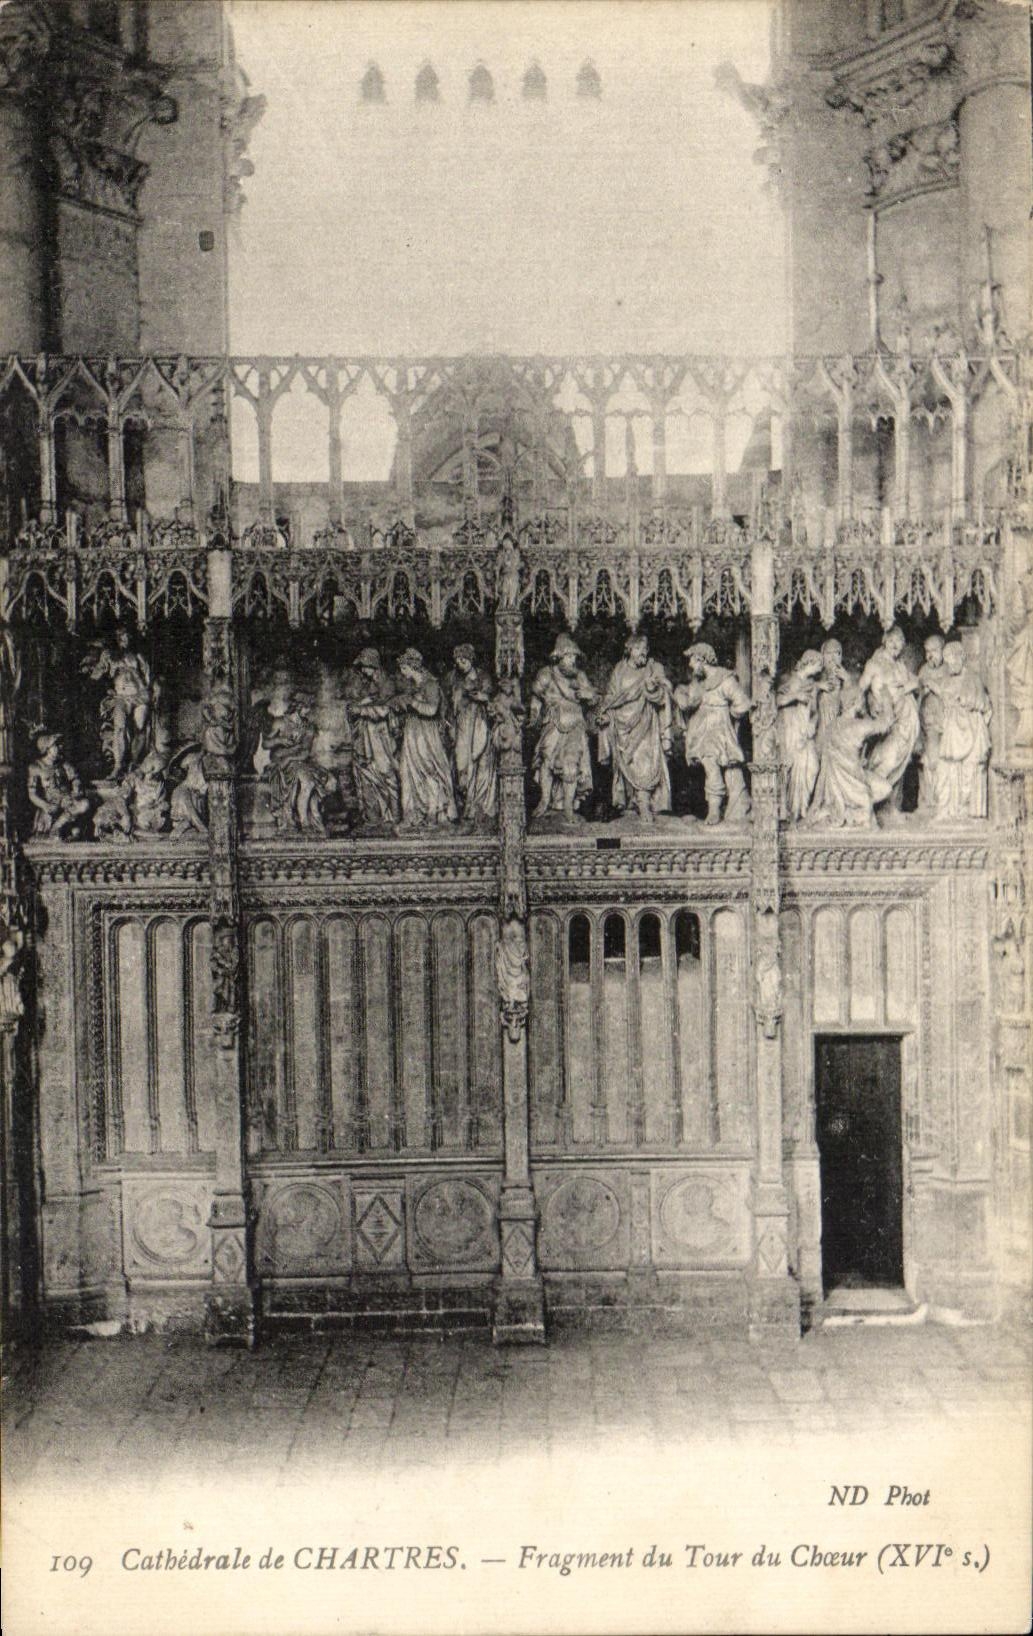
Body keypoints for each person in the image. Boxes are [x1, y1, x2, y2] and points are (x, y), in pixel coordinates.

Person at [597, 633, 673, 822]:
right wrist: (605, 714)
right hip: (621, 724)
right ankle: (633, 803)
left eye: (645, 649)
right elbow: (611, 696)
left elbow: (665, 696)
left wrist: (652, 688)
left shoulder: (653, 668)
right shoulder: (620, 669)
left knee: (644, 762)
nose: (643, 652)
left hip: (645, 721)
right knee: (627, 764)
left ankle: (645, 804)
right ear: (629, 649)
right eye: (638, 648)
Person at [674, 642, 751, 824]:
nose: (691, 666)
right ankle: (717, 808)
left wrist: (730, 717)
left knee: (711, 764)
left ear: (701, 659)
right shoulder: (698, 682)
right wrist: (679, 693)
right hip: (700, 731)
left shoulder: (725, 679)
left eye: (692, 661)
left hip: (717, 730)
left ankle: (715, 808)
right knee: (710, 766)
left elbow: (742, 703)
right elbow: (687, 697)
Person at [529, 632, 597, 822]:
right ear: (557, 656)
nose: (572, 660)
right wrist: (534, 714)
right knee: (546, 761)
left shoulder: (579, 676)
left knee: (571, 764)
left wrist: (587, 695)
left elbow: (593, 696)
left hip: (575, 724)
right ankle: (544, 801)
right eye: (568, 656)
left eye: (574, 656)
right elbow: (536, 695)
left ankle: (568, 807)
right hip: (552, 723)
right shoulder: (546, 674)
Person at [805, 687, 895, 828]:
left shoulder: (831, 727)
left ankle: (850, 811)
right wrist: (886, 698)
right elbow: (886, 723)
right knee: (886, 788)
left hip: (833, 789)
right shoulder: (859, 726)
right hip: (854, 783)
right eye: (861, 700)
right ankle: (855, 812)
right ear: (855, 702)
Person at [857, 626, 919, 813]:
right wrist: (868, 706)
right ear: (884, 640)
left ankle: (890, 808)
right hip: (887, 722)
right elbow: (860, 690)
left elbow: (916, 682)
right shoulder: (874, 664)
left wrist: (907, 688)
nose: (895, 644)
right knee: (888, 759)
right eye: (892, 640)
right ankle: (866, 804)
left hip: (905, 721)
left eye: (900, 641)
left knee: (900, 763)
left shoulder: (900, 666)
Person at [395, 648, 458, 826]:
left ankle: (433, 811)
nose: (401, 672)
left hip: (426, 734)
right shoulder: (413, 686)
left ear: (411, 667)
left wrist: (412, 702)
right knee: (407, 771)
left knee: (428, 769)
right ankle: (412, 813)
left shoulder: (431, 685)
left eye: (403, 668)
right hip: (412, 732)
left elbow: (431, 710)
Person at [934, 642, 992, 821]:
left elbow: (983, 704)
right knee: (946, 770)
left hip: (971, 731)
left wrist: (964, 702)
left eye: (953, 660)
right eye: (947, 662)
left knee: (969, 773)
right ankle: (949, 811)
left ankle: (964, 811)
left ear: (961, 658)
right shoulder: (946, 681)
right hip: (953, 734)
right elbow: (942, 701)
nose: (951, 665)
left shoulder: (972, 678)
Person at [84, 631, 155, 777]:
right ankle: (118, 765)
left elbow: (147, 677)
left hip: (140, 695)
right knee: (120, 728)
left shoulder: (137, 656)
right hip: (121, 697)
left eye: (128, 637)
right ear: (117, 639)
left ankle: (135, 763)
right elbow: (97, 675)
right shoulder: (109, 655)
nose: (125, 640)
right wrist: (103, 684)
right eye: (122, 638)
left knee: (140, 727)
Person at [343, 648, 400, 826]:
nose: (362, 671)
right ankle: (373, 816)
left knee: (385, 771)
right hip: (367, 736)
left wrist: (360, 709)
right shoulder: (369, 684)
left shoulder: (387, 683)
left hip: (381, 736)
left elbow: (384, 710)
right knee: (367, 772)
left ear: (372, 665)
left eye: (364, 667)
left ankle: (394, 815)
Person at [448, 645, 498, 822]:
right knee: (461, 765)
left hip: (478, 723)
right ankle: (464, 806)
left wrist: (480, 697)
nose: (460, 664)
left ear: (471, 660)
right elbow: (450, 704)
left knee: (479, 763)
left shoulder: (483, 676)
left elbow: (490, 698)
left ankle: (477, 807)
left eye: (464, 661)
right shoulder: (454, 678)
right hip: (461, 724)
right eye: (458, 661)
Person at [775, 650, 823, 822]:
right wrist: (795, 696)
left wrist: (812, 724)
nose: (819, 670)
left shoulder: (812, 686)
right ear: (808, 662)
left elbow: (815, 713)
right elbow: (776, 701)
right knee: (792, 767)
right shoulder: (790, 680)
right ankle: (791, 812)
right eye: (818, 665)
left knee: (812, 767)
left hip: (805, 732)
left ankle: (802, 808)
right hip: (790, 731)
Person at [27, 733, 90, 838]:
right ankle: (57, 828)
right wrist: (44, 805)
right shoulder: (36, 767)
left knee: (84, 804)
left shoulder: (63, 764)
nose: (59, 748)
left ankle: (57, 827)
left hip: (67, 800)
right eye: (55, 746)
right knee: (75, 830)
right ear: (47, 748)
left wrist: (76, 789)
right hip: (51, 803)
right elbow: (32, 794)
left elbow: (75, 778)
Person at [917, 634, 946, 812]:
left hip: (945, 723)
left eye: (934, 651)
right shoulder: (923, 670)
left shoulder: (949, 669)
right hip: (928, 724)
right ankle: (928, 802)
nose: (930, 655)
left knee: (941, 762)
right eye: (927, 651)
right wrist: (923, 691)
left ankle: (940, 802)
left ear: (942, 650)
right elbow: (917, 696)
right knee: (927, 762)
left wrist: (936, 688)